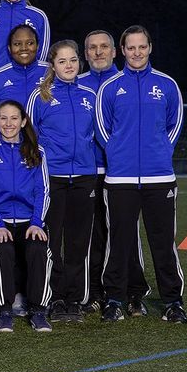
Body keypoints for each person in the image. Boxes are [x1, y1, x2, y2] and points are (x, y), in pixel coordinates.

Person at [95, 25, 187, 324]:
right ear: (122, 50)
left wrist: (161, 152)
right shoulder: (111, 87)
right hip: (120, 179)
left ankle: (173, 302)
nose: (137, 53)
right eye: (131, 47)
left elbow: (175, 123)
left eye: (142, 47)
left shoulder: (167, 84)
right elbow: (102, 127)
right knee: (119, 242)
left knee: (163, 243)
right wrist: (116, 154)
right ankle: (114, 300)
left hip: (159, 178)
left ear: (150, 48)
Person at [78, 30, 150, 314]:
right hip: (88, 171)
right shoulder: (77, 83)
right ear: (85, 53)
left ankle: (134, 292)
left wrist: (118, 156)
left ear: (115, 51)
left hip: (121, 172)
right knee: (93, 234)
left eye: (104, 47)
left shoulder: (125, 81)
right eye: (92, 47)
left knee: (126, 233)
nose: (98, 52)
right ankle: (95, 292)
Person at [27, 40, 97, 323]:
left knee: (79, 241)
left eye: (73, 60)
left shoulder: (90, 95)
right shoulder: (40, 97)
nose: (69, 65)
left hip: (84, 177)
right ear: (52, 66)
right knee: (52, 240)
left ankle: (75, 299)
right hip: (52, 178)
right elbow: (29, 138)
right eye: (62, 61)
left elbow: (99, 133)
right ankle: (55, 298)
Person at [0, 100, 52, 332]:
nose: (8, 123)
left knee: (38, 248)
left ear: (23, 121)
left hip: (30, 221)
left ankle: (38, 310)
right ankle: (5, 310)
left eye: (14, 118)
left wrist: (37, 222)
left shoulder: (37, 151)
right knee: (4, 249)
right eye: (3, 118)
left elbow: (43, 190)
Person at [0, 24, 49, 138]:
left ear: (37, 46)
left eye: (30, 43)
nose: (24, 48)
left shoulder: (51, 73)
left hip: (46, 147)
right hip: (10, 145)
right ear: (9, 48)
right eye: (17, 44)